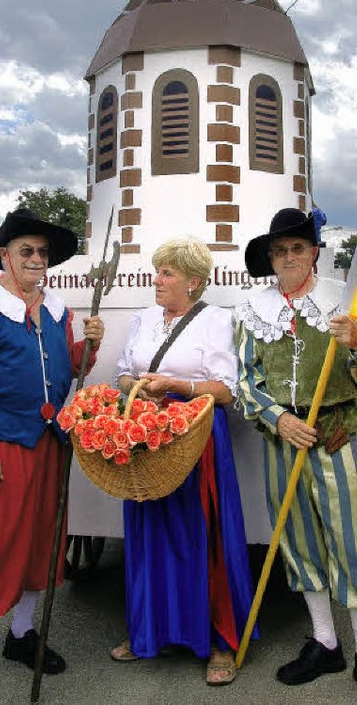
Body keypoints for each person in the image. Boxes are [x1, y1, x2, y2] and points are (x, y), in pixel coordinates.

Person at [235, 208, 357, 705]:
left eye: (297, 248)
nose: (288, 257)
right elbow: (244, 381)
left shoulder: (342, 302)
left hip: (335, 437)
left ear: (314, 253)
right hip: (283, 441)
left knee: (349, 543)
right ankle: (326, 642)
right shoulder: (252, 309)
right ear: (271, 257)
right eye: (280, 250)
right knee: (299, 543)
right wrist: (278, 419)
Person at [0, 208, 104, 703]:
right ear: (4, 257)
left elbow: (65, 368)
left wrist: (87, 350)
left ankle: (22, 634)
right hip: (1, 447)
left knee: (41, 542)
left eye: (42, 252)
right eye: (26, 251)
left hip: (48, 446)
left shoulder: (57, 310)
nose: (36, 259)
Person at [111, 236, 255, 686]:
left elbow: (227, 390)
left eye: (167, 273)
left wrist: (177, 385)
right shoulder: (144, 319)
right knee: (149, 530)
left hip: (196, 439)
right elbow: (121, 372)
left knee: (201, 534)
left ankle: (218, 643)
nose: (158, 280)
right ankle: (148, 632)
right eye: (158, 271)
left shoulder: (215, 320)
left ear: (193, 282)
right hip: (146, 436)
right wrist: (134, 384)